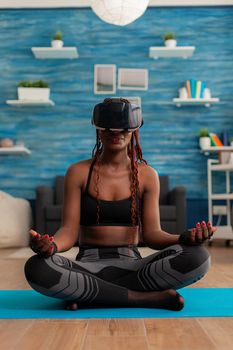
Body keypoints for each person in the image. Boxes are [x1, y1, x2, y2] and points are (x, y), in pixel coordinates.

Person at [24, 97, 215, 311]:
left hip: (134, 267)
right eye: (110, 129)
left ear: (134, 130)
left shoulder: (147, 175)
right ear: (98, 129)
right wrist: (52, 247)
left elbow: (152, 234)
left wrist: (184, 238)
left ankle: (90, 294)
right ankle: (144, 298)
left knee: (198, 256)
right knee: (37, 267)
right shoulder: (77, 172)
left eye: (123, 128)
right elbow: (68, 231)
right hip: (86, 266)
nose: (117, 134)